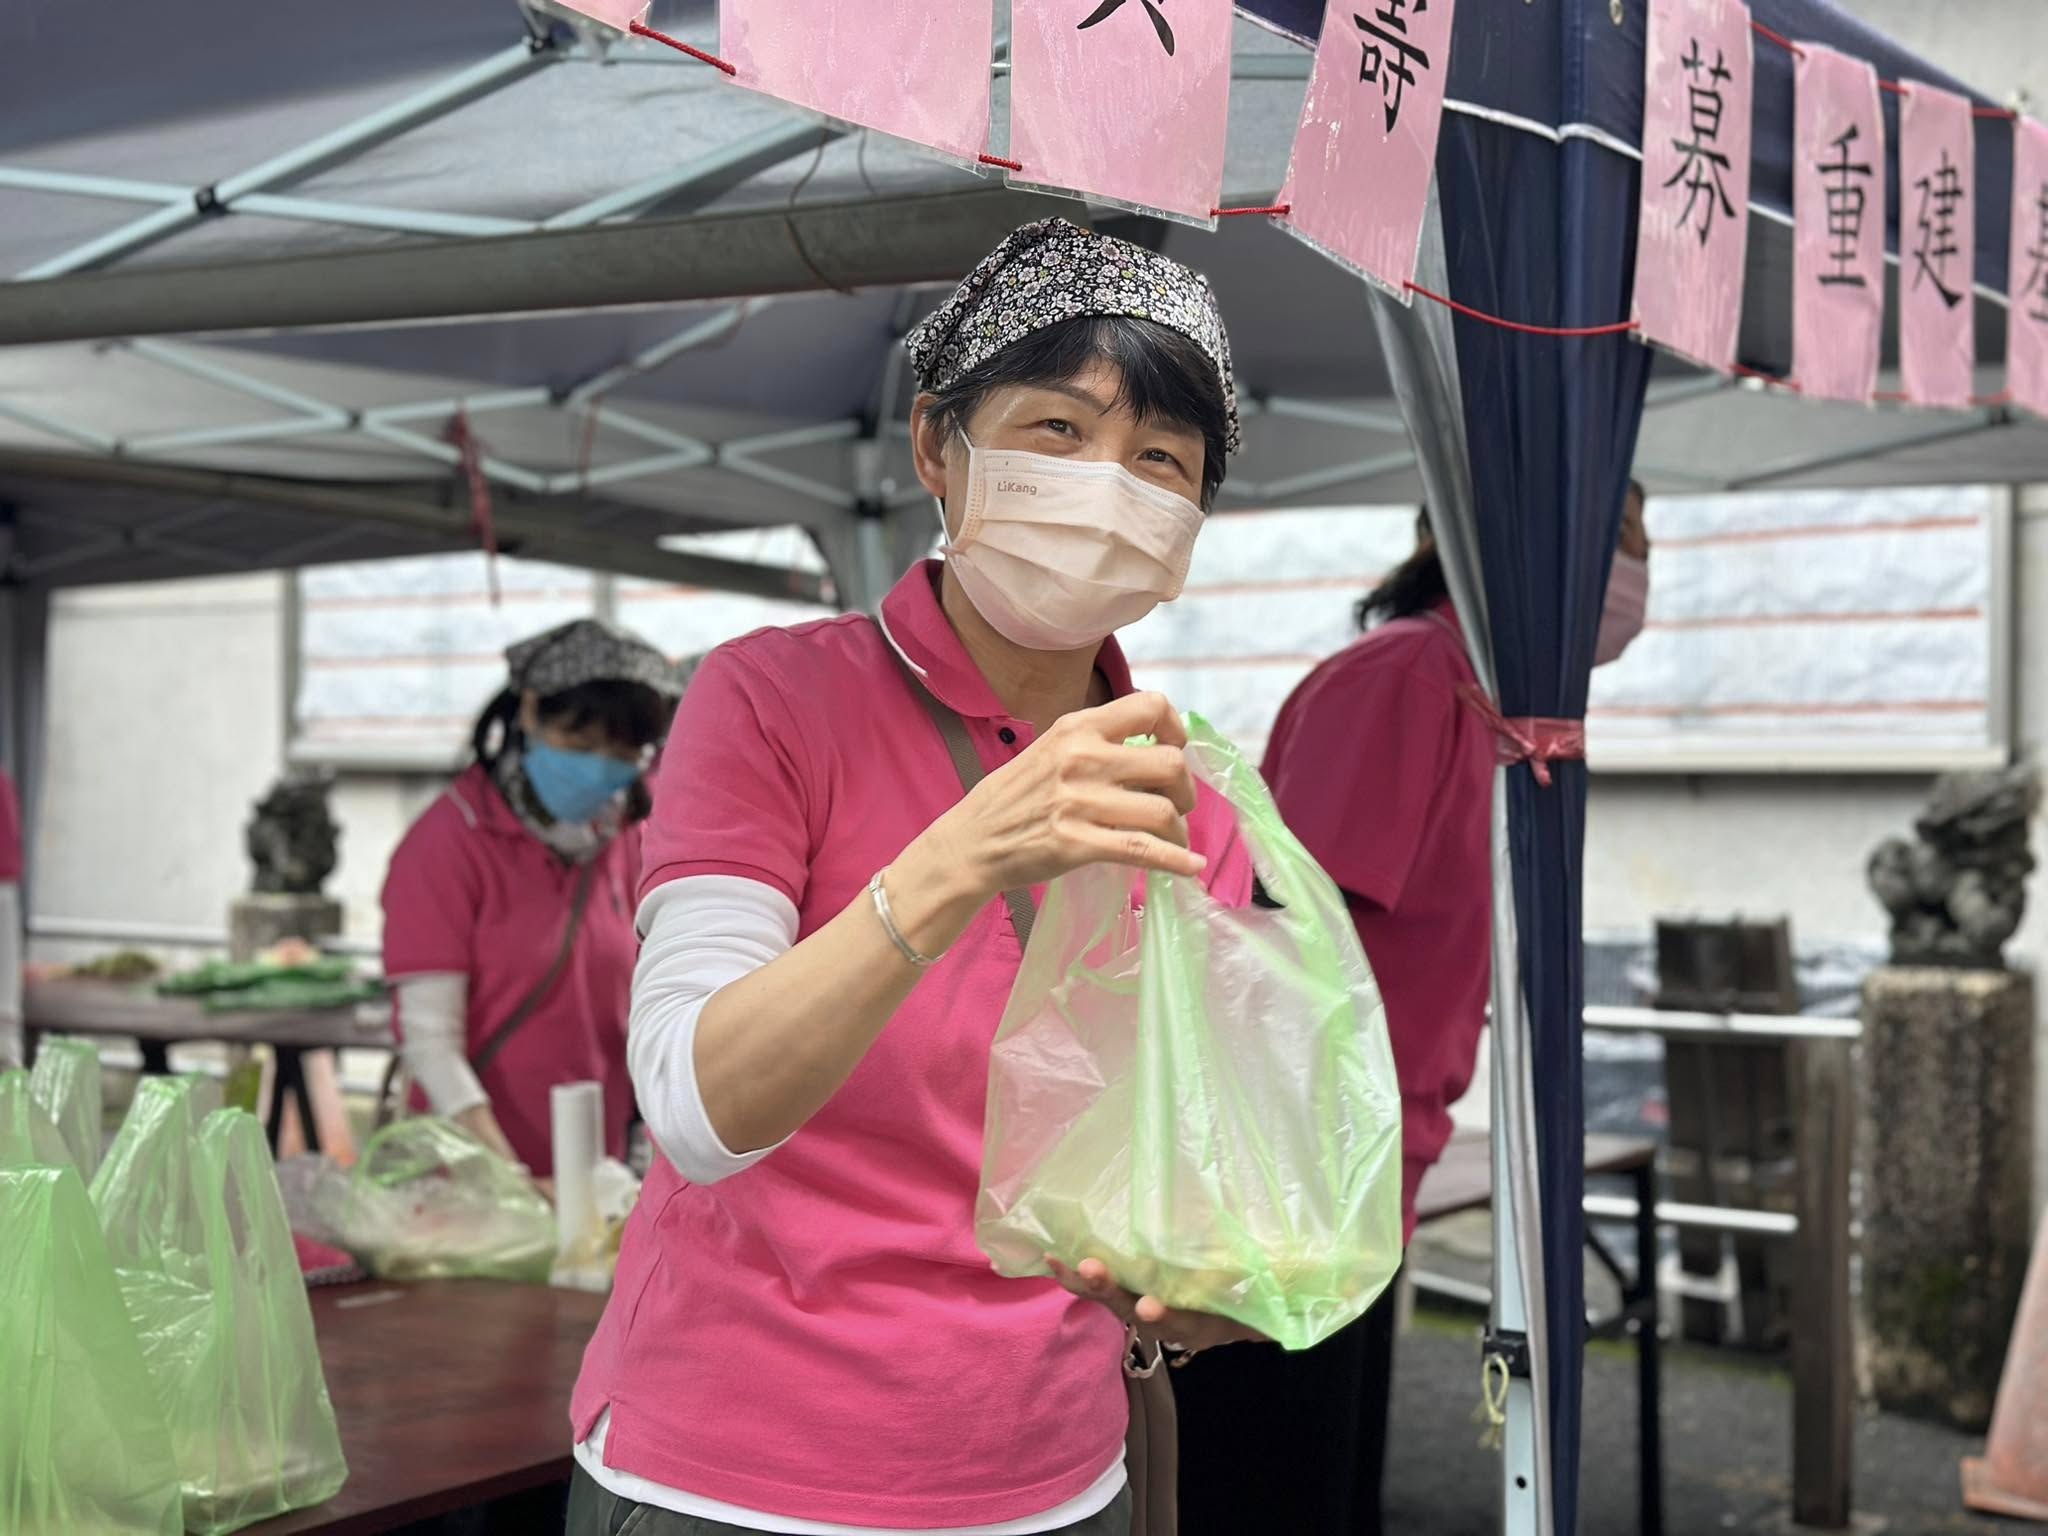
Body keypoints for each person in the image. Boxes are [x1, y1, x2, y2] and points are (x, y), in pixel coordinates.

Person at [567, 217, 1260, 1536]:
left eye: (1159, 459)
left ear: (1187, 527)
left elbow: (1171, 1163)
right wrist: (964, 855)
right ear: (938, 447)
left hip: (1058, 1478)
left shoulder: (1186, 795)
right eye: (1057, 431)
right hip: (735, 1477)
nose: (1107, 485)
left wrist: (1206, 1275)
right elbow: (695, 1107)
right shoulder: (767, 699)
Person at [1173, 483, 1653, 1535]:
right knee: (1268, 1480)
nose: (1640, 564)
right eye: (1625, 531)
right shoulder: (1404, 677)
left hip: (1364, 1161)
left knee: (1327, 1472)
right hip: (1292, 1179)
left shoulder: (1480, 696)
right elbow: (1289, 934)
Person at [381, 618, 683, 1179]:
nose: (598, 766)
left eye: (621, 751)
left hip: (598, 1168)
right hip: (472, 1178)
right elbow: (429, 1041)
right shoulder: (449, 844)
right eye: (579, 741)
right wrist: (509, 1178)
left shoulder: (628, 841)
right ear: (529, 710)